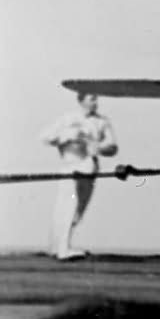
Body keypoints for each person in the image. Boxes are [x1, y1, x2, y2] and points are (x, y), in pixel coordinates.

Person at [39, 92, 118, 261]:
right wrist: (66, 137)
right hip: (70, 168)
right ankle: (61, 249)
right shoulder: (68, 119)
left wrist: (99, 147)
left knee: (78, 212)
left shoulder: (102, 121)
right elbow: (45, 137)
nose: (96, 102)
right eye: (92, 98)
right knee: (67, 207)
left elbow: (112, 146)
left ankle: (59, 246)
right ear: (81, 101)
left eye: (96, 98)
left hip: (89, 170)